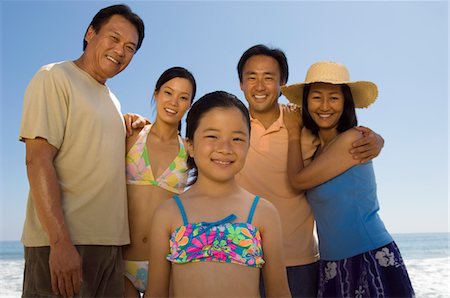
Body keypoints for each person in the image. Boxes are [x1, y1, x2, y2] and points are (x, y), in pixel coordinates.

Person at [235, 44, 385, 297]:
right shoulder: (230, 124)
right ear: (241, 84)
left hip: (301, 262)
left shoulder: (304, 124)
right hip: (243, 259)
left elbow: (338, 138)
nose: (259, 86)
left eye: (268, 77)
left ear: (282, 83)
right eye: (252, 77)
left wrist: (377, 140)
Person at [19, 4, 145, 297]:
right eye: (114, 38)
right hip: (64, 245)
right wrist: (60, 244)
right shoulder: (54, 77)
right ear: (90, 33)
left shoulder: (113, 100)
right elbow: (37, 161)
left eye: (130, 47)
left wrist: (129, 122)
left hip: (111, 247)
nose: (120, 51)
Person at [281, 61, 415, 297]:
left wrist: (293, 133)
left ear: (345, 103)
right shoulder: (318, 153)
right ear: (306, 102)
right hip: (332, 264)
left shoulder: (352, 139)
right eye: (316, 97)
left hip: (368, 257)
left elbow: (298, 181)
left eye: (333, 98)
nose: (324, 106)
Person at [146, 91, 291, 298]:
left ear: (249, 145)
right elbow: (155, 294)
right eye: (212, 136)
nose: (225, 148)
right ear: (190, 146)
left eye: (237, 138)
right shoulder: (168, 213)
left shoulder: (263, 212)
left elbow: (279, 293)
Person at [123, 66, 196, 297]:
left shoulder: (189, 150)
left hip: (166, 264)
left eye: (183, 97)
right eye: (168, 92)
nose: (174, 102)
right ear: (155, 93)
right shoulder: (132, 135)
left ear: (190, 105)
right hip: (122, 262)